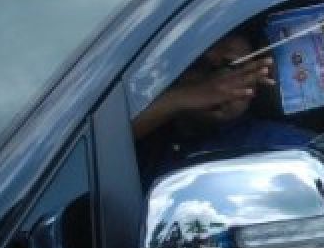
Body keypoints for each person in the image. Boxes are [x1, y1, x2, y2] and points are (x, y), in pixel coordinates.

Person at [134, 29, 314, 185]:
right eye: (201, 66)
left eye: (232, 68)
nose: (218, 83)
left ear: (258, 77)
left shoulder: (281, 146)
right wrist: (180, 99)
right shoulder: (147, 133)